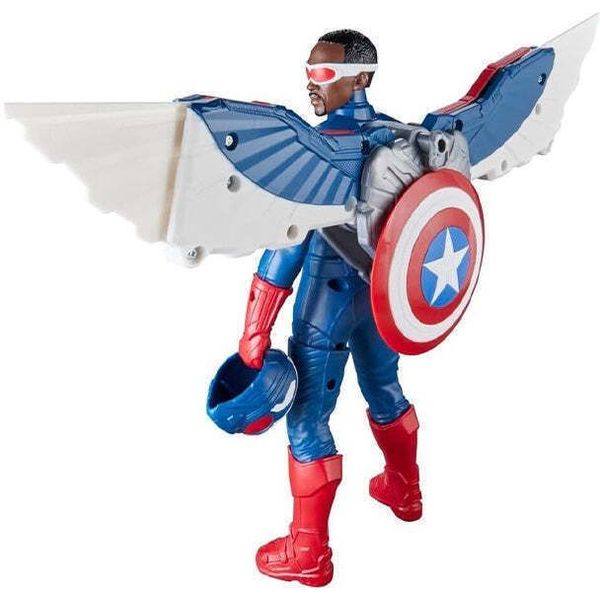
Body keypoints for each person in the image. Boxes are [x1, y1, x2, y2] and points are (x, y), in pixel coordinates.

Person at [238, 29, 422, 587]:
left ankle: (308, 551)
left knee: (306, 417)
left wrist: (255, 329)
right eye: (309, 72)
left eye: (323, 74)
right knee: (384, 388)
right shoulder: (402, 137)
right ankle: (405, 489)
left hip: (327, 302)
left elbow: (287, 242)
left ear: (361, 76)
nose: (310, 84)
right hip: (385, 298)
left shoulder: (317, 152)